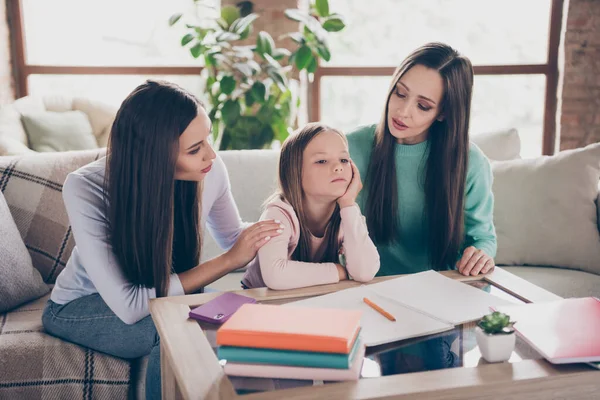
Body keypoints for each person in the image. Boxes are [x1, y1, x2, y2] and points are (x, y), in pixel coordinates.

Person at [41, 80, 283, 399]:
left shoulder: (209, 169)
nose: (211, 154)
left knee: (247, 313)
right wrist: (227, 263)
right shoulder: (86, 187)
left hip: (162, 294)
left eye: (207, 138)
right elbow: (129, 306)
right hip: (80, 306)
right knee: (170, 329)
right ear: (153, 154)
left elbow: (232, 238)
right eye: (194, 149)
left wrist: (288, 224)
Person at [347, 42, 496, 277]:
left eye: (423, 106)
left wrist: (479, 255)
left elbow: (482, 237)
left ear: (444, 113)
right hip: (367, 287)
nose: (403, 111)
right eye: (400, 93)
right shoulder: (351, 147)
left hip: (442, 288)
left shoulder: (471, 163)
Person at [242, 123, 380, 290]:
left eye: (344, 159)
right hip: (262, 300)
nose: (338, 167)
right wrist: (339, 271)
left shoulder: (347, 213)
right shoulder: (278, 214)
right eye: (321, 161)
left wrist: (348, 204)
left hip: (310, 295)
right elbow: (275, 275)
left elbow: (365, 272)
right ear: (293, 172)